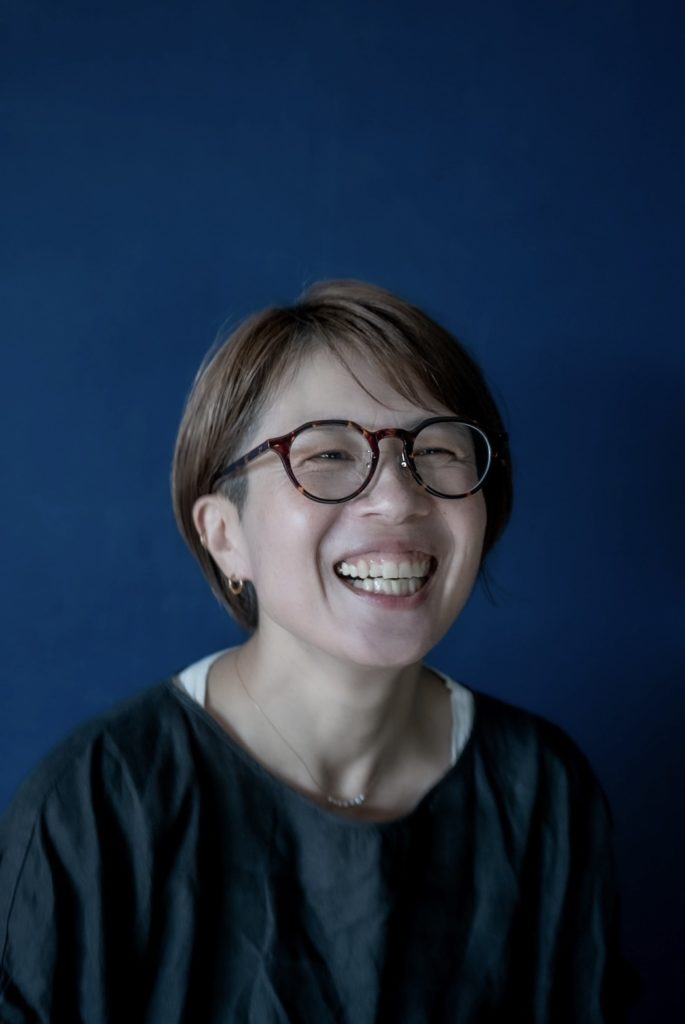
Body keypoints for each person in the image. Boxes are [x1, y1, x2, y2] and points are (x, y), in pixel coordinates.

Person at [0, 280, 633, 1022]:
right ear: (224, 536)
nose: (397, 498)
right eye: (329, 453)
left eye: (435, 449)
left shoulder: (543, 792)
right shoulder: (97, 806)